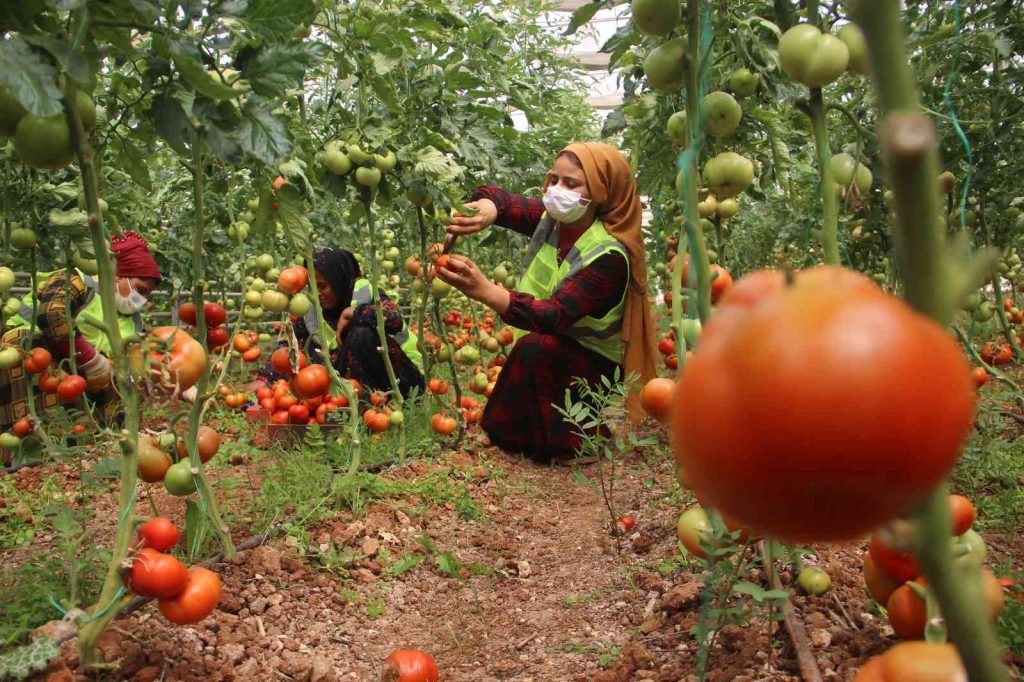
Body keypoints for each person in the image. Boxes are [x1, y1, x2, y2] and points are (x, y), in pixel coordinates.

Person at [440, 142, 658, 462]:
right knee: (535, 350)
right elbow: (503, 200)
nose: (556, 190)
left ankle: (579, 441)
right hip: (555, 345)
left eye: (571, 184)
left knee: (539, 348)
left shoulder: (609, 256)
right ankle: (516, 437)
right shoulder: (554, 221)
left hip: (595, 365)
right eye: (554, 179)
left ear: (601, 192)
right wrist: (487, 208)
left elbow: (554, 315)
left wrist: (486, 290)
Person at [0, 230, 161, 442]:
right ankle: (15, 443)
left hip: (70, 370)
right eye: (139, 289)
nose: (141, 299)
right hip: (21, 355)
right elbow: (51, 315)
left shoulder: (132, 321)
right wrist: (92, 361)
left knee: (119, 378)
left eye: (146, 295)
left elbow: (130, 364)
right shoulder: (76, 280)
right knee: (27, 347)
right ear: (117, 275)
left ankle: (89, 440)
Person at [294, 248, 424, 398]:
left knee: (362, 334)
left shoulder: (366, 291)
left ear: (338, 280)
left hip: (405, 380)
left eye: (322, 286)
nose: (317, 294)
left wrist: (354, 312)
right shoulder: (310, 309)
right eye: (312, 287)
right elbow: (290, 350)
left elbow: (394, 319)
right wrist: (267, 379)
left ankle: (379, 403)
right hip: (354, 389)